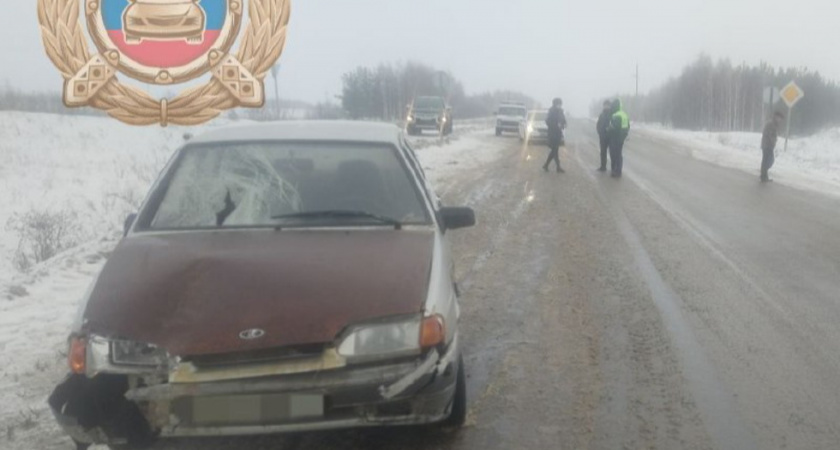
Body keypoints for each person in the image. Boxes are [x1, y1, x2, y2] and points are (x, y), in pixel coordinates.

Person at [606, 98, 630, 177]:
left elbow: (613, 127)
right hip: (621, 137)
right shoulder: (624, 114)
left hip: (615, 137)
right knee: (619, 154)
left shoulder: (616, 115)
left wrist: (608, 129)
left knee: (614, 154)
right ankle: (618, 170)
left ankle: (616, 170)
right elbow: (628, 126)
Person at [543, 98, 567, 173]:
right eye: (558, 104)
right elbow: (547, 121)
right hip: (552, 133)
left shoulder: (561, 111)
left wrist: (564, 124)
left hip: (558, 133)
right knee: (555, 150)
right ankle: (557, 167)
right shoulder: (551, 111)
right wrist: (556, 125)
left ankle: (547, 165)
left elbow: (563, 120)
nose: (559, 105)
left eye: (560, 104)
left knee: (555, 150)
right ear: (555, 104)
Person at [761, 111, 785, 182]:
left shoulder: (774, 124)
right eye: (779, 118)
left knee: (767, 161)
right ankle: (763, 175)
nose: (780, 120)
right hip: (767, 145)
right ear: (776, 117)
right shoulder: (771, 124)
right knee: (768, 161)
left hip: (769, 145)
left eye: (781, 119)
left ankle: (764, 176)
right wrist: (773, 140)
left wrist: (774, 141)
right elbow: (769, 134)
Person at [596, 100, 612, 171]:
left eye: (607, 105)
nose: (606, 106)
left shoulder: (612, 114)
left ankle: (613, 168)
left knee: (612, 153)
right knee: (603, 152)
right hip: (602, 137)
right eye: (605, 105)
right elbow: (598, 124)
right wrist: (599, 132)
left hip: (610, 137)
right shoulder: (601, 115)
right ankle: (603, 166)